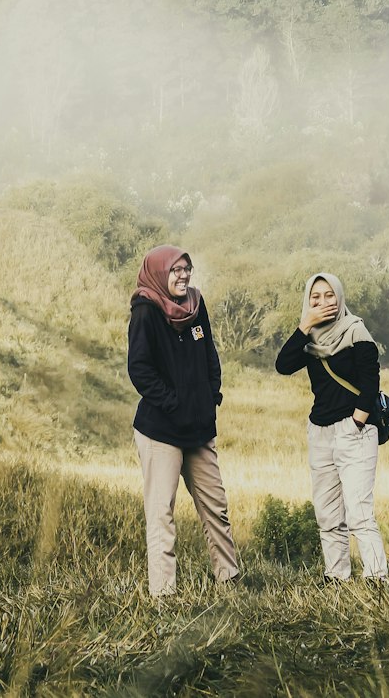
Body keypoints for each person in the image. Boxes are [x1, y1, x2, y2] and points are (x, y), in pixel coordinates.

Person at [127, 244, 240, 597]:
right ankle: (164, 594)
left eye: (187, 268)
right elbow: (140, 369)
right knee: (162, 514)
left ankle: (230, 581)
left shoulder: (196, 303)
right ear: (160, 273)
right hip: (161, 431)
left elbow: (209, 354)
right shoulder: (145, 310)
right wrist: (174, 403)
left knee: (216, 508)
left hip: (199, 427)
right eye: (175, 270)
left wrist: (211, 395)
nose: (183, 275)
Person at [275, 271, 388, 582]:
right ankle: (336, 576)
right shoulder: (310, 338)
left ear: (340, 297)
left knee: (359, 513)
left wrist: (356, 423)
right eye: (315, 297)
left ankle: (377, 579)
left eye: (329, 296)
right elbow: (283, 365)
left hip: (355, 430)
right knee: (327, 513)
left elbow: (370, 384)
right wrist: (305, 325)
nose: (322, 302)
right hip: (320, 431)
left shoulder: (356, 332)